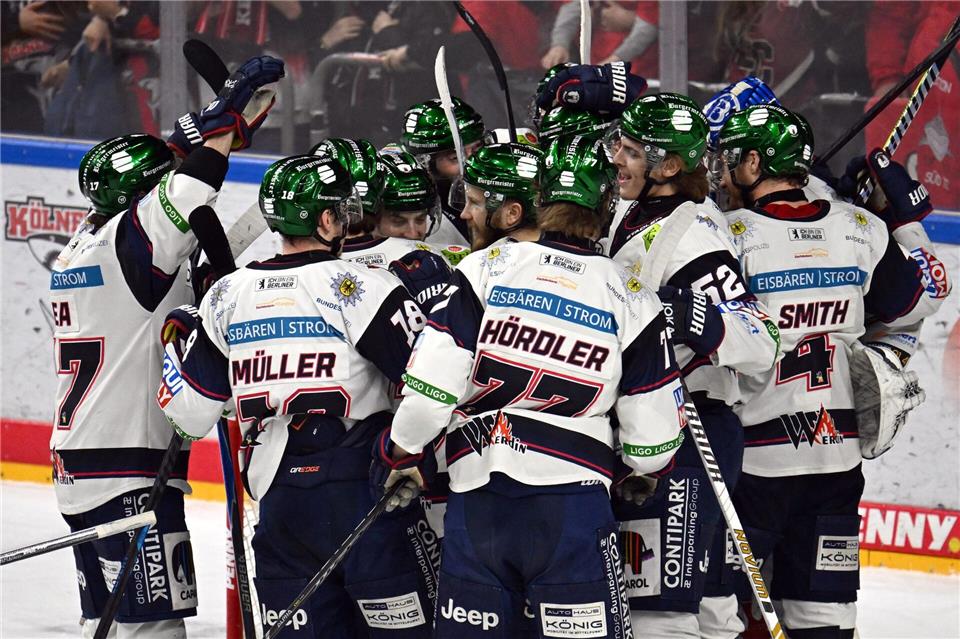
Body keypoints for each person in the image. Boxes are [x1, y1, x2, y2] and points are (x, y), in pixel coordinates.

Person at [372, 134, 687, 638]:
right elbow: (652, 439)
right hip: (573, 509)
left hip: (478, 501)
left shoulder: (481, 269)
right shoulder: (632, 296)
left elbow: (432, 387)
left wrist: (402, 452)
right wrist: (645, 468)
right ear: (606, 207)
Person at [49, 54, 284, 637]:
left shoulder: (85, 248)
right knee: (152, 629)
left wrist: (195, 134)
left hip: (80, 466)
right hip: (128, 472)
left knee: (105, 622)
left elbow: (168, 190)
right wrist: (221, 123)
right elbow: (191, 186)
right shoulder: (133, 244)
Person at [158, 154, 437, 638]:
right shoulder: (365, 286)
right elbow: (429, 382)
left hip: (280, 497)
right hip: (366, 491)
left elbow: (189, 417)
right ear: (327, 220)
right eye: (343, 209)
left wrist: (175, 346)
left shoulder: (226, 295)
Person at [714, 104, 931, 638]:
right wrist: (898, 224)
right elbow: (912, 305)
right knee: (824, 614)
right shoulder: (860, 229)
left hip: (755, 467)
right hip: (835, 464)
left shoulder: (728, 233)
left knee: (720, 611)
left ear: (754, 164)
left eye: (731, 160)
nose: (722, 172)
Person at [602, 93, 780, 638]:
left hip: (689, 431)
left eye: (630, 151)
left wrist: (696, 317)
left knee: (663, 614)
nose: (616, 159)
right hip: (654, 423)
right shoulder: (634, 210)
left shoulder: (694, 236)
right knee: (707, 606)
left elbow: (762, 340)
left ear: (670, 166)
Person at [399, 97, 486, 246]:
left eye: (477, 149)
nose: (473, 163)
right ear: (426, 163)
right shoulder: (418, 223)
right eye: (455, 157)